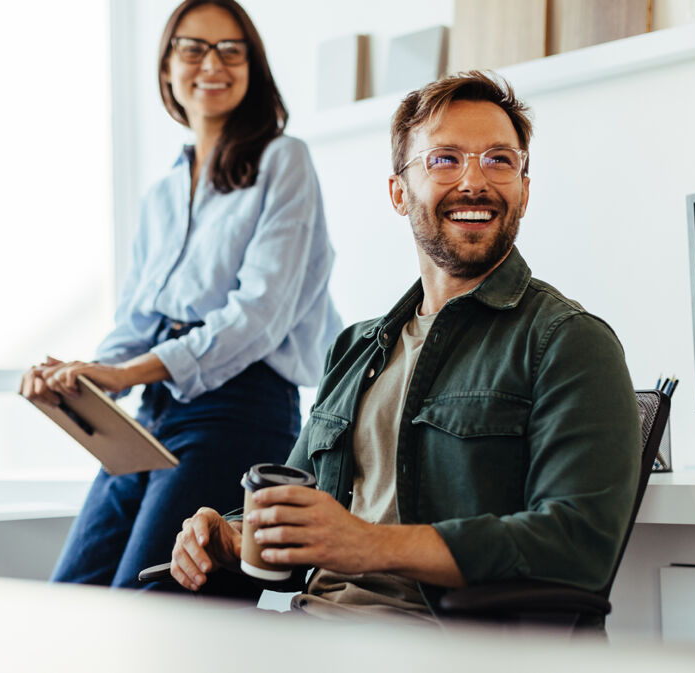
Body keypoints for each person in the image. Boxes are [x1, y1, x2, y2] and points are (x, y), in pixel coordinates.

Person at [168, 71, 642, 622]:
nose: (475, 182)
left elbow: (576, 547)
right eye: (444, 159)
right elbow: (299, 517)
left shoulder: (568, 343)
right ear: (399, 192)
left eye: (499, 160)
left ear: (524, 190)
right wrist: (230, 534)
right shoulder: (355, 347)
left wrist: (367, 544)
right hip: (305, 633)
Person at [20, 0, 340, 589]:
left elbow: (257, 319)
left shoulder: (283, 161)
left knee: (145, 601)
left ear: (252, 66)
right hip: (157, 410)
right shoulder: (163, 191)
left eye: (230, 50)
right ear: (167, 67)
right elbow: (138, 319)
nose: (211, 64)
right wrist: (79, 375)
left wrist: (125, 375)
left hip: (238, 410)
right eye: (192, 47)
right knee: (70, 591)